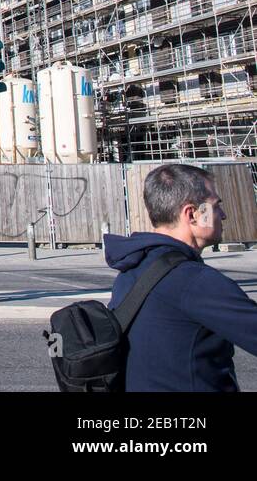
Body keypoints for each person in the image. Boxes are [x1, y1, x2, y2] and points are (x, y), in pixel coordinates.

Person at [106, 163, 257, 391]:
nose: (223, 215)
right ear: (192, 214)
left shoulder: (132, 268)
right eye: (216, 206)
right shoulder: (194, 281)